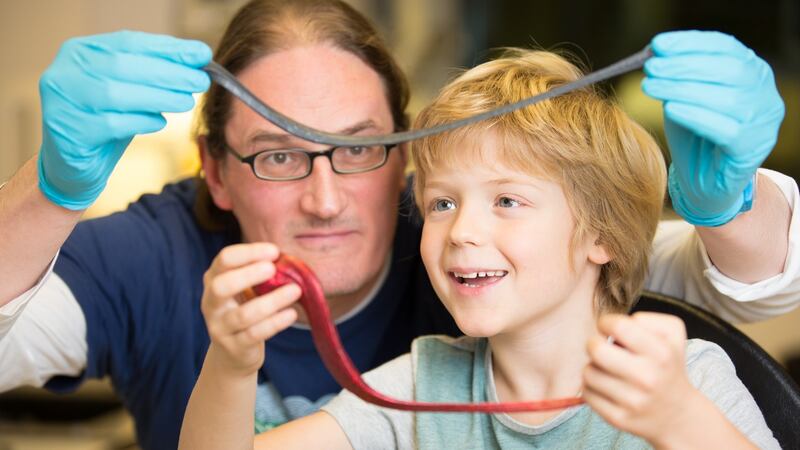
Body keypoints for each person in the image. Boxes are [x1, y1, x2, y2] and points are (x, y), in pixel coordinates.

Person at [0, 0, 795, 448]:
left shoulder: (673, 365)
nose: (324, 198)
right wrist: (48, 190)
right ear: (214, 171)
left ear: (401, 159)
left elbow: (734, 273)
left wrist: (730, 201)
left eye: (358, 150)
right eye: (278, 156)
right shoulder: (418, 384)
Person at [179, 48, 779, 450]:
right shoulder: (420, 386)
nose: (461, 230)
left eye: (507, 201)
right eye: (443, 203)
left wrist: (680, 422)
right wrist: (231, 365)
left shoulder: (687, 381)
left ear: (601, 234)